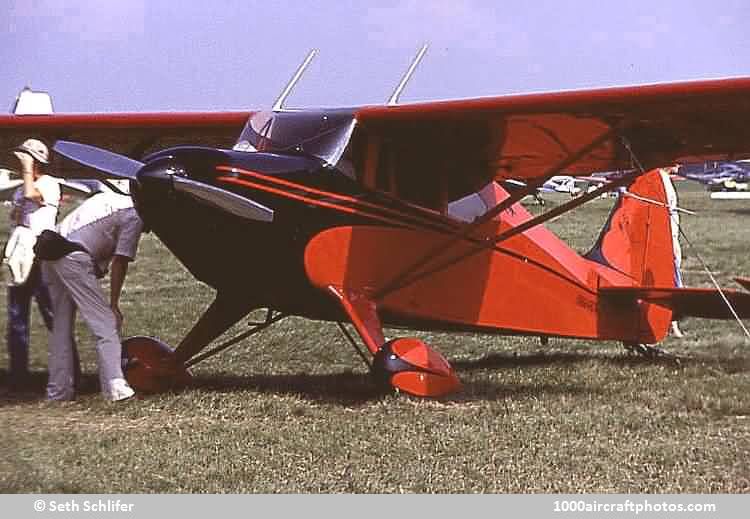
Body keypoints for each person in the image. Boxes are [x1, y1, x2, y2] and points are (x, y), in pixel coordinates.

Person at [43, 185, 143, 401]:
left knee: (61, 328)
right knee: (106, 323)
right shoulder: (135, 215)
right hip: (73, 257)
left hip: (50, 252)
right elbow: (120, 261)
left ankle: (58, 392)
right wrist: (114, 304)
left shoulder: (107, 198)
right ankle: (116, 390)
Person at [3, 139, 59, 390]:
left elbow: (30, 195)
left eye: (26, 158)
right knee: (17, 317)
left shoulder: (49, 184)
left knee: (52, 316)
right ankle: (18, 377)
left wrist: (27, 170)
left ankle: (68, 371)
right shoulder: (21, 188)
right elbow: (17, 216)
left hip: (43, 255)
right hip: (24, 255)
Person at [661, 166, 685, 338]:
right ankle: (673, 325)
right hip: (667, 240)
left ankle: (672, 324)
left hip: (671, 238)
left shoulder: (664, 180)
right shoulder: (662, 180)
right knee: (674, 284)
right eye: (676, 161)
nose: (679, 165)